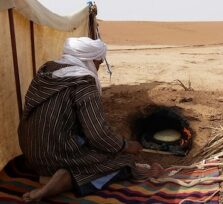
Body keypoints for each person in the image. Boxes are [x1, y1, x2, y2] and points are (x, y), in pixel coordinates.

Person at [18, 37, 163, 202]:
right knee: (124, 161)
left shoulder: (46, 71)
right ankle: (67, 180)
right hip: (57, 154)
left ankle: (48, 174)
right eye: (98, 64)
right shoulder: (83, 82)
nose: (98, 68)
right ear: (90, 60)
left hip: (31, 153)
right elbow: (98, 134)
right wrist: (126, 145)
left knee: (95, 146)